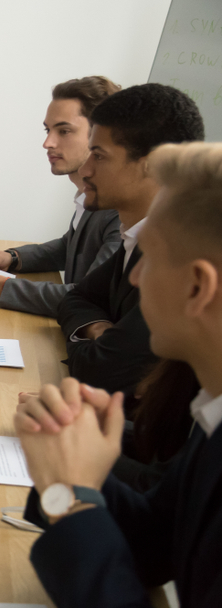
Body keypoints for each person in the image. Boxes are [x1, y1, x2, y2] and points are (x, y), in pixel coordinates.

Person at [13, 142, 222, 608]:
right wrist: (67, 462)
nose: (133, 277)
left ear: (198, 287)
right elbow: (155, 544)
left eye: (148, 256)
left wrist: (73, 497)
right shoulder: (214, 415)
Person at [56, 83, 204, 401]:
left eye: (99, 155)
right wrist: (98, 329)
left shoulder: (177, 259)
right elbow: (75, 299)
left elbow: (99, 370)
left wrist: (93, 342)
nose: (87, 168)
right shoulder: (135, 239)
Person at [0, 77, 122, 317]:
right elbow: (69, 247)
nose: (48, 143)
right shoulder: (88, 196)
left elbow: (90, 298)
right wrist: (12, 258)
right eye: (48, 130)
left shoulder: (120, 211)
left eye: (64, 131)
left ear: (100, 135)